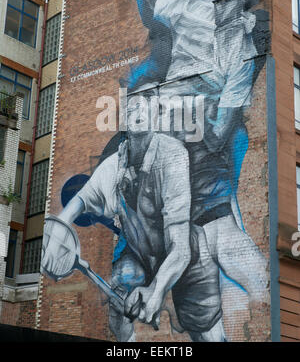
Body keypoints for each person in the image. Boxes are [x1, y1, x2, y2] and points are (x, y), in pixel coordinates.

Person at [108, 0, 270, 327]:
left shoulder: (243, 53)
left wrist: (186, 109)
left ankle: (267, 299)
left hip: (198, 151)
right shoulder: (192, 6)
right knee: (132, 251)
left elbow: (218, 134)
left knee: (226, 242)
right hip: (159, 137)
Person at [41, 96, 225, 342]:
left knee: (207, 333)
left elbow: (180, 249)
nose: (137, 110)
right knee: (119, 296)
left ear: (155, 118)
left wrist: (156, 290)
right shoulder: (114, 166)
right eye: (131, 108)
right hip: (140, 253)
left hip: (188, 255)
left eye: (145, 106)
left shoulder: (172, 155)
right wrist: (54, 241)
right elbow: (77, 204)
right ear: (125, 121)